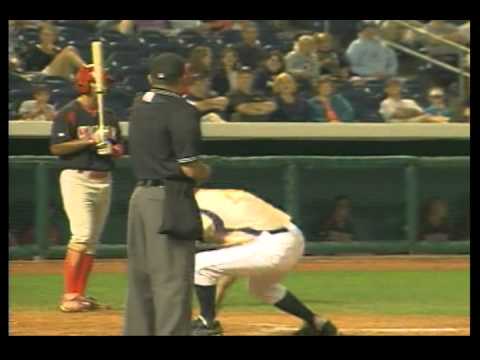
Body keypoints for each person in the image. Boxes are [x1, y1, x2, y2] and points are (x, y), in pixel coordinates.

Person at [125, 53, 211, 336]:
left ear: (152, 77)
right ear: (184, 78)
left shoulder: (139, 105)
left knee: (141, 279)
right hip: (168, 198)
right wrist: (204, 172)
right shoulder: (183, 111)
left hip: (139, 198)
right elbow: (189, 167)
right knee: (172, 281)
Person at [191, 188, 339, 336]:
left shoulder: (200, 208)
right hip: (292, 236)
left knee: (200, 264)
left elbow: (235, 245)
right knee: (261, 288)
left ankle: (207, 323)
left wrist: (209, 314)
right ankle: (317, 323)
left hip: (273, 244)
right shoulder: (214, 195)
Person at [49, 66, 125, 313]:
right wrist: (90, 141)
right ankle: (69, 295)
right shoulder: (69, 113)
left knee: (91, 242)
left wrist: (111, 150)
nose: (104, 87)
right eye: (99, 82)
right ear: (86, 84)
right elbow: (57, 147)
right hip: (77, 178)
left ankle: (78, 295)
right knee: (81, 235)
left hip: (104, 179)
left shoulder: (109, 115)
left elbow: (121, 148)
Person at [20, 23, 88, 80]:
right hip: (41, 75)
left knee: (71, 49)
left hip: (59, 73)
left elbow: (61, 64)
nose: (48, 38)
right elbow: (32, 67)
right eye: (45, 35)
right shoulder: (34, 49)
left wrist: (53, 53)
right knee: (68, 53)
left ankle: (85, 77)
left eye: (51, 35)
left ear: (55, 37)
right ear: (40, 35)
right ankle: (90, 72)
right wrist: (46, 51)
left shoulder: (56, 50)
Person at [379, 78, 447, 123]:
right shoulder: (385, 103)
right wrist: (411, 112)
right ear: (386, 90)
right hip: (398, 127)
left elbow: (420, 113)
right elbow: (398, 115)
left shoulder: (410, 102)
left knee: (429, 118)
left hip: (416, 124)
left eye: (397, 86)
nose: (395, 88)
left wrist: (408, 112)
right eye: (392, 86)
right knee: (425, 118)